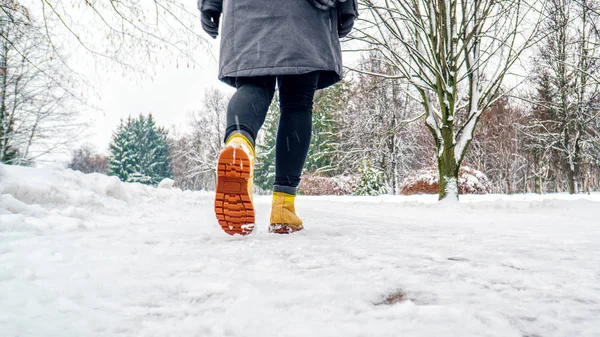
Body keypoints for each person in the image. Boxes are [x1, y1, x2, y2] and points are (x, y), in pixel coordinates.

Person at [198, 0, 358, 235]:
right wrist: (347, 7)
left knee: (253, 85)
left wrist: (209, 4)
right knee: (297, 102)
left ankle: (239, 143)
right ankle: (283, 209)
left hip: (246, 10)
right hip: (306, 13)